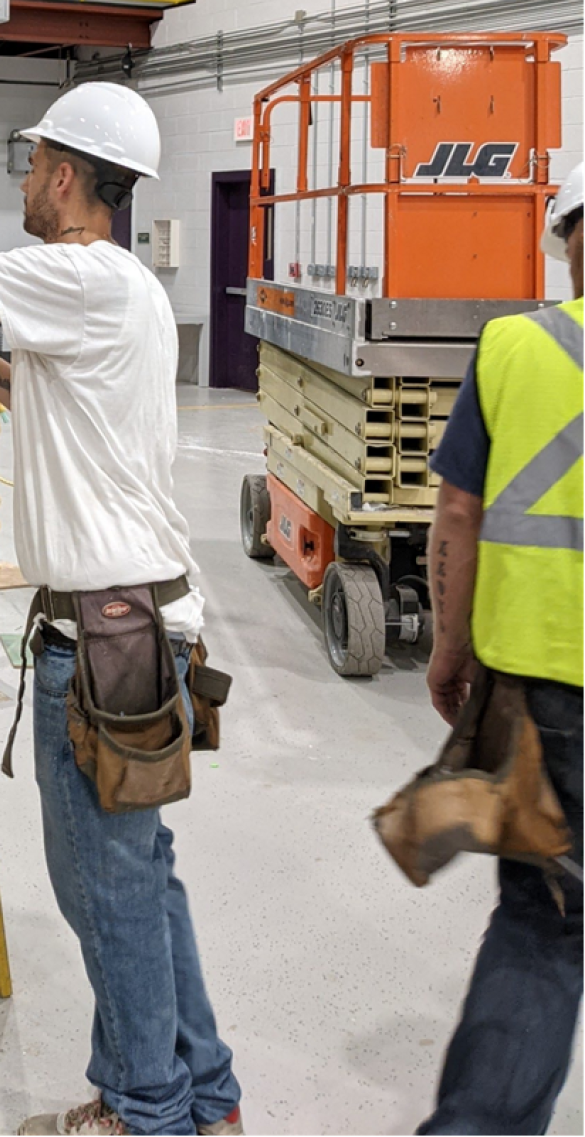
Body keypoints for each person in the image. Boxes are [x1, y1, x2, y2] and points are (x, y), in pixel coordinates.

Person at [0, 84, 242, 1137]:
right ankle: (207, 1096)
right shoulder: (130, 291)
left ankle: (143, 1108)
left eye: (35, 165)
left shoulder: (70, 271)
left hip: (105, 644)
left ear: (66, 174)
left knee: (107, 897)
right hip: (145, 625)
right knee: (144, 884)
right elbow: (92, 413)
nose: (27, 181)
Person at [418, 160, 585, 1137]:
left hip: (540, 694)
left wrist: (450, 649)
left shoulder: (514, 346)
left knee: (541, 923)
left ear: (568, 240)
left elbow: (458, 509)